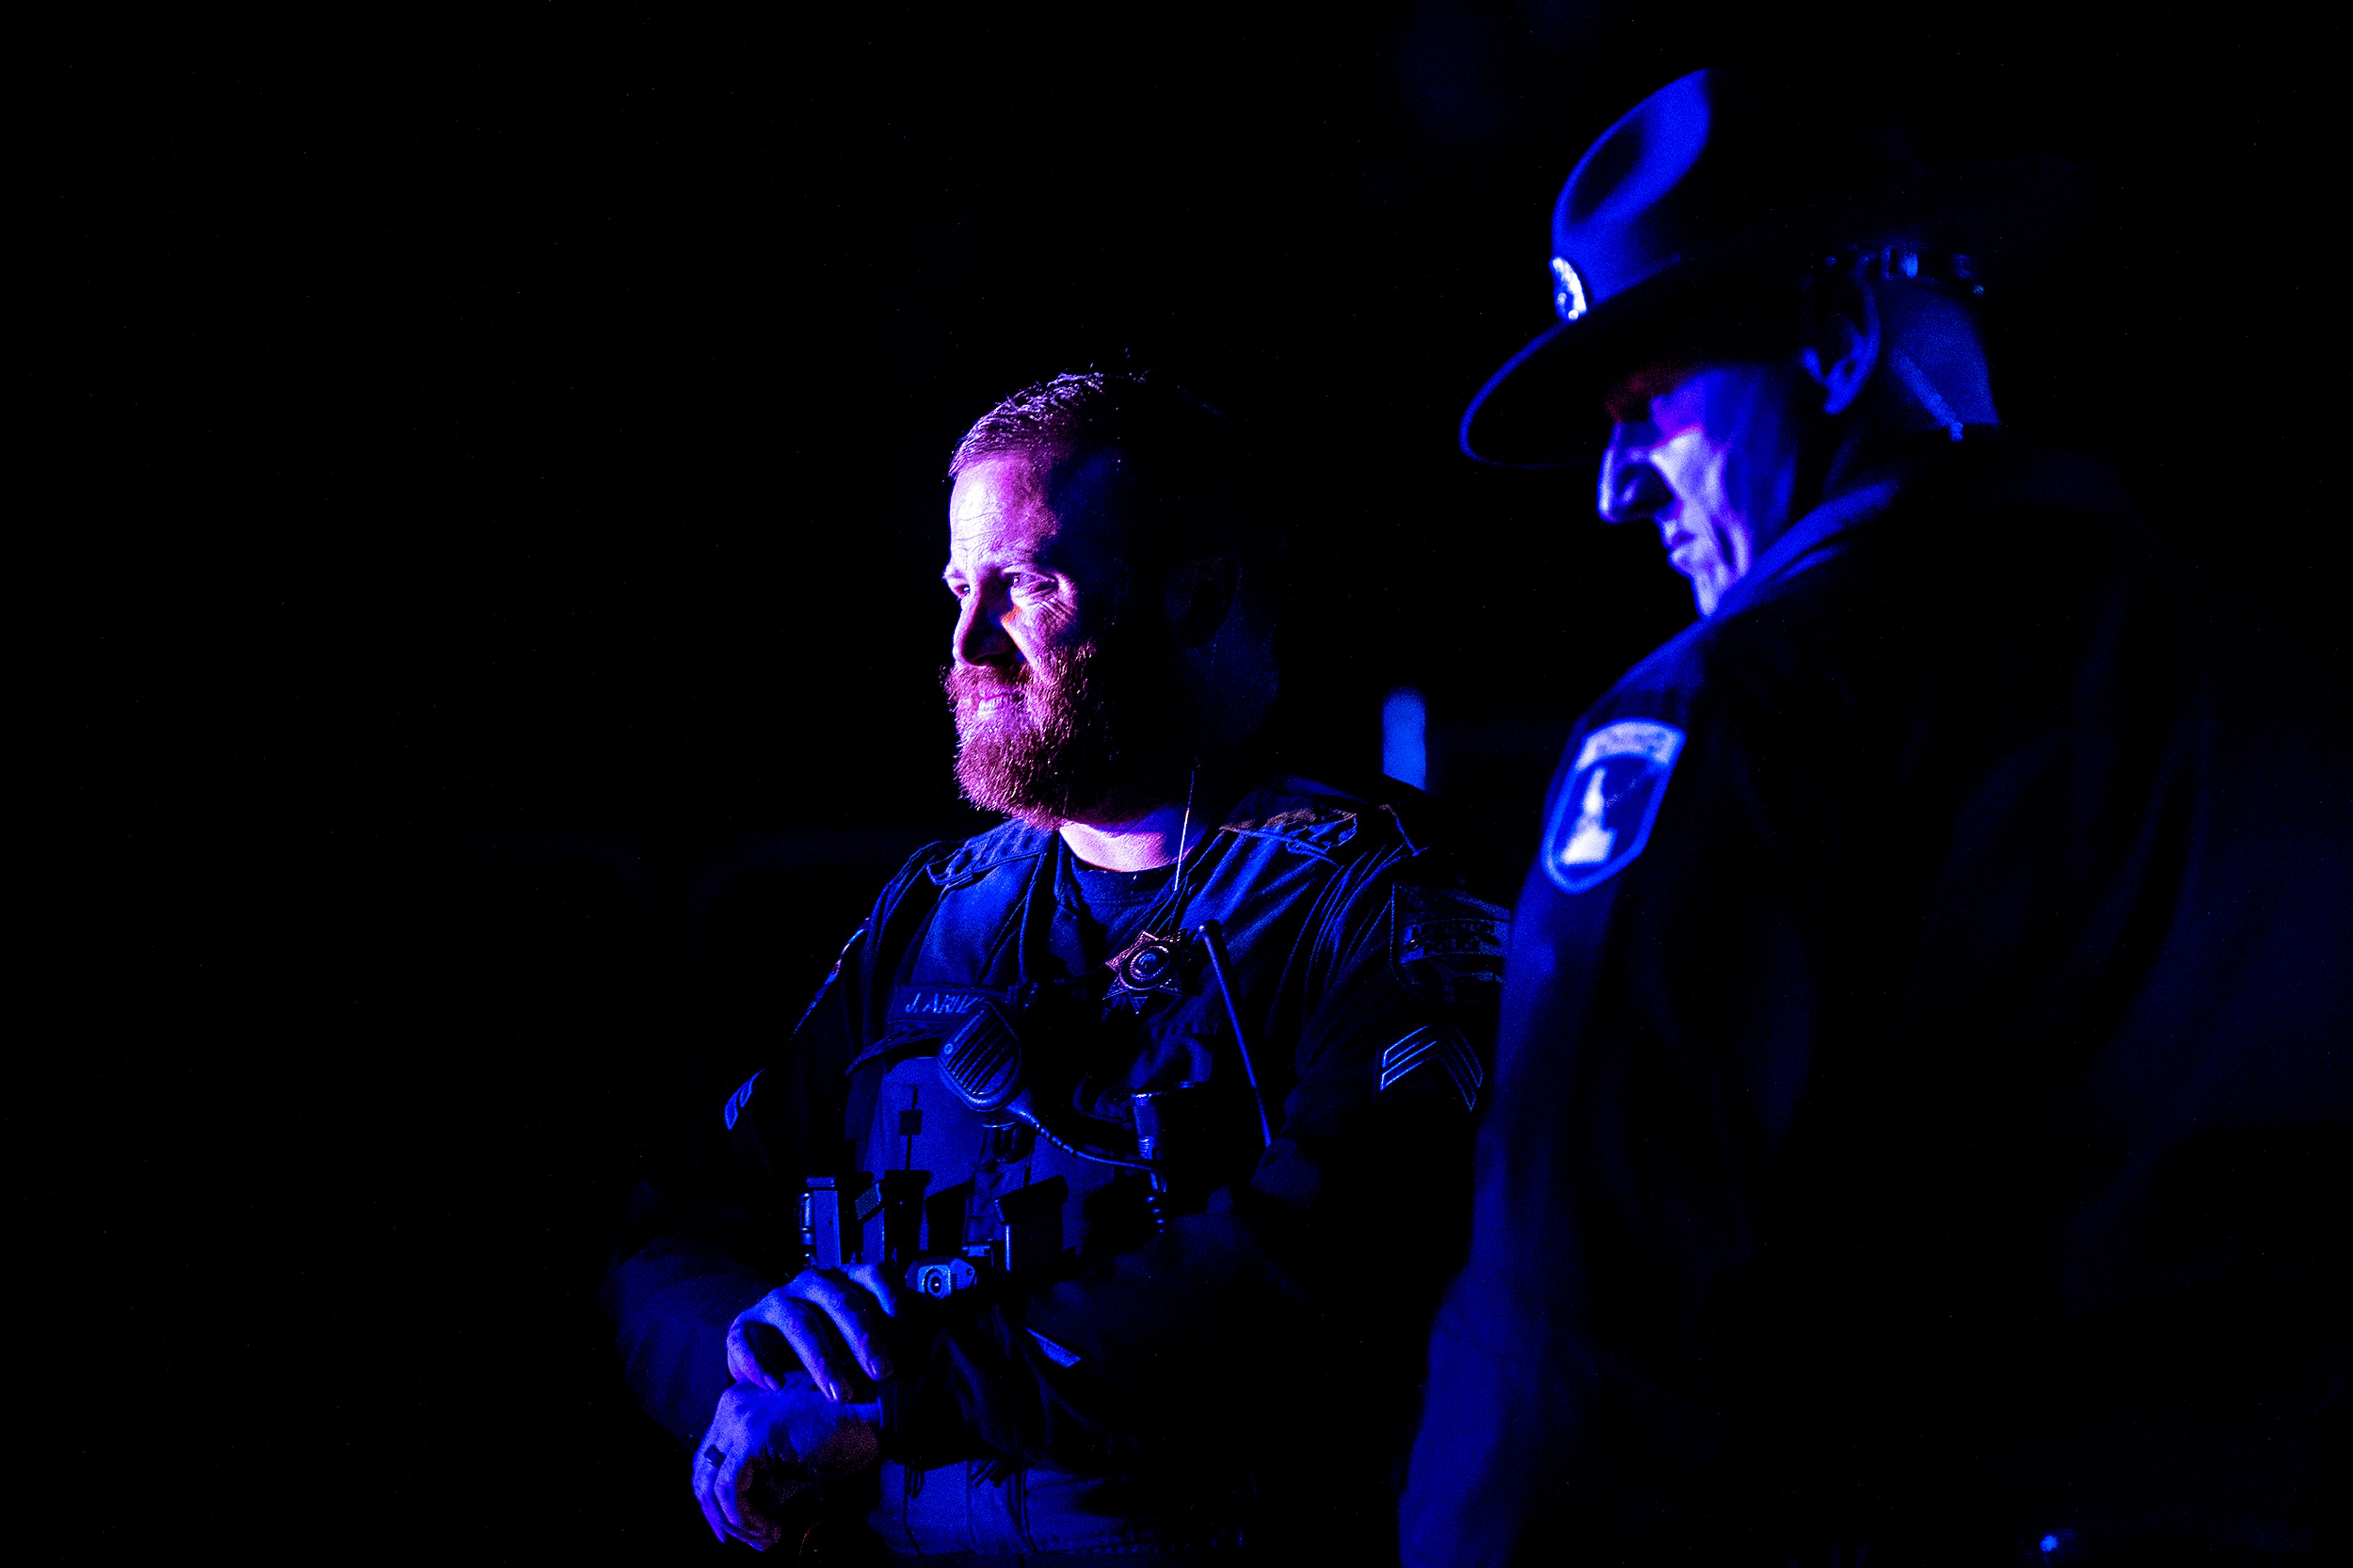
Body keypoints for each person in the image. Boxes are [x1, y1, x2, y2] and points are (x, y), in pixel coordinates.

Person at [1401, 69, 2352, 1564]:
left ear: (1838, 339)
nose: (1611, 490)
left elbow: (1572, 1320)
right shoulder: (2287, 683)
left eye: (1645, 401)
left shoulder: (1743, 710)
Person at [608, 371, 1507, 1562]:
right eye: (956, 588)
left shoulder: (1388, 901)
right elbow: (680, 1232)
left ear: (1197, 600)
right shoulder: (936, 909)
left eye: (1030, 585)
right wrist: (752, 1354)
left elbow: (1314, 1268)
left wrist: (895, 1395)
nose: (968, 645)